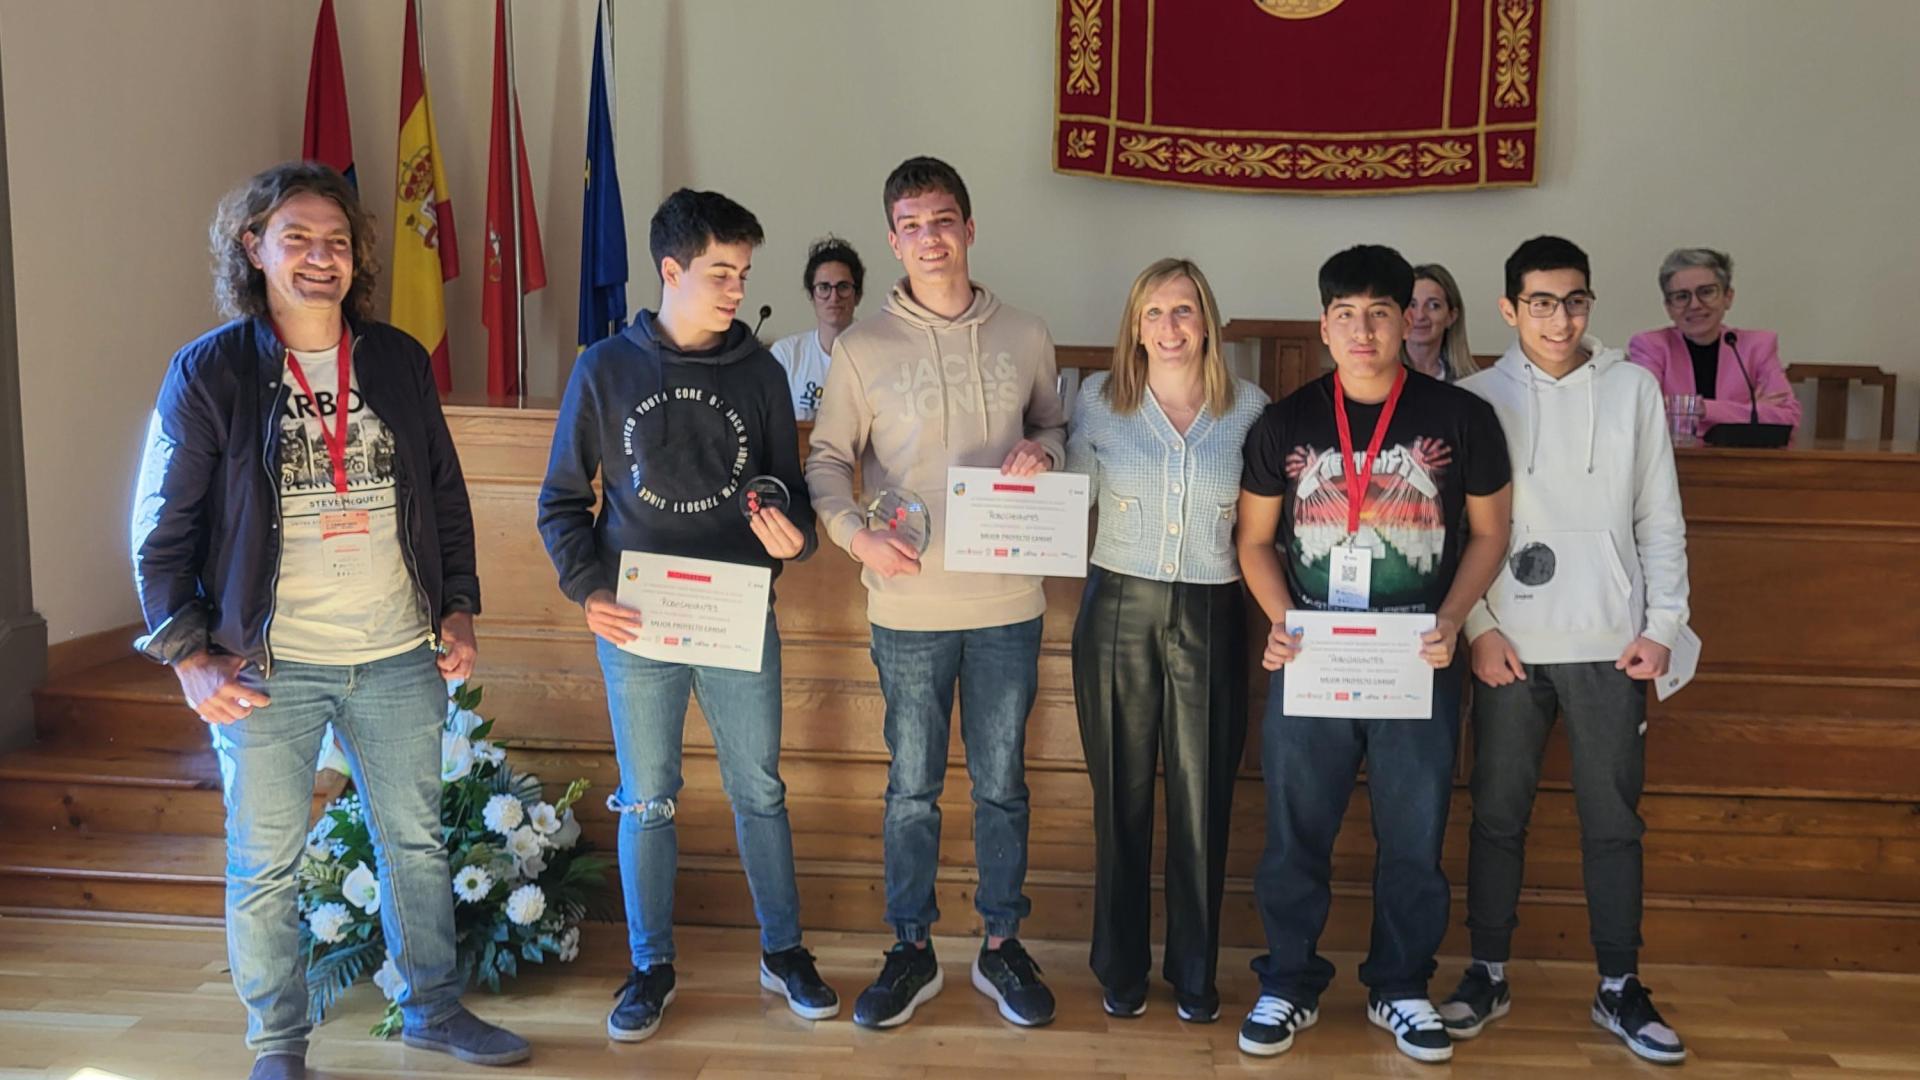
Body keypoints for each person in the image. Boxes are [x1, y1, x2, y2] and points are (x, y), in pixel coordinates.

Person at [130, 162, 528, 1080]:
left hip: (396, 652)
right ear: (253, 247)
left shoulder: (393, 360)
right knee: (265, 866)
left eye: (338, 242)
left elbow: (442, 494)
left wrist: (457, 606)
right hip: (266, 664)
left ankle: (432, 1008)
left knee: (418, 846)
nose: (320, 258)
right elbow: (160, 526)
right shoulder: (210, 371)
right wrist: (188, 653)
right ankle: (278, 1044)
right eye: (297, 239)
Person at [537, 189, 836, 1043]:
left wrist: (791, 540)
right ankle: (650, 965)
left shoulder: (763, 374)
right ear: (670, 271)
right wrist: (588, 591)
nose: (737, 288)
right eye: (720, 272)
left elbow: (791, 505)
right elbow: (561, 504)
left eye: (744, 272)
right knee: (647, 801)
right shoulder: (604, 370)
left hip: (741, 615)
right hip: (639, 620)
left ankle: (784, 953)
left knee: (760, 792)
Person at [805, 155, 1068, 1029]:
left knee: (1002, 783)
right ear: (893, 239)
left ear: (970, 227)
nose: (930, 237)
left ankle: (1000, 944)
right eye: (911, 224)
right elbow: (828, 463)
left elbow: (1053, 424)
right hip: (908, 608)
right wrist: (854, 536)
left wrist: (1047, 454)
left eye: (944, 219)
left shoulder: (1027, 333)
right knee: (911, 788)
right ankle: (911, 948)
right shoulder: (861, 348)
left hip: (1006, 604)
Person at [1235, 245, 1512, 1065]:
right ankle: (1289, 980)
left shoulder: (1462, 419)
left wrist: (1455, 617)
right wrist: (1281, 619)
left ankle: (1401, 987)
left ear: (1409, 318)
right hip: (1313, 655)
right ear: (1324, 325)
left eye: (1381, 313)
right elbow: (1253, 541)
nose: (1364, 329)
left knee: (1415, 835)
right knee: (1295, 832)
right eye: (1347, 314)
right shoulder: (1284, 422)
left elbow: (1491, 532)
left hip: (1417, 659)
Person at [1448, 236, 1692, 1066]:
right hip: (1510, 642)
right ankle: (1486, 969)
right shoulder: (1475, 398)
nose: (1561, 318)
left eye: (1575, 300)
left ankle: (1619, 984)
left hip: (1609, 644)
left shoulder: (1633, 390)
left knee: (1612, 823)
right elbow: (1459, 533)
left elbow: (1659, 517)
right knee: (1497, 814)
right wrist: (1478, 629)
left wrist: (1663, 627)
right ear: (1510, 308)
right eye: (1542, 302)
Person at [1066, 258, 1268, 1023]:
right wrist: (1033, 464)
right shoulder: (1099, 400)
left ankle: (1194, 973)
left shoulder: (1248, 408)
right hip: (1117, 610)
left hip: (1215, 612)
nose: (1170, 327)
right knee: (1120, 796)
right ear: (1135, 326)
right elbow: (1069, 491)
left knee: (1202, 799)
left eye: (1184, 311)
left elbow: (1265, 525)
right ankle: (1120, 967)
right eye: (1154, 313)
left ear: (1207, 320)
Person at [1627, 247, 1800, 436]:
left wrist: (1703, 409)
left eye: (1706, 292)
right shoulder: (1650, 346)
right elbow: (1643, 417)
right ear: (1668, 307)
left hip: (1743, 462)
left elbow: (1788, 418)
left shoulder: (1757, 346)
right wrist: (1747, 413)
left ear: (1728, 297)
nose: (1695, 305)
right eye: (1682, 296)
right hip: (1673, 461)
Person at [770, 236, 865, 420]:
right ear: (812, 296)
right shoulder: (786, 355)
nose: (834, 297)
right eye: (824, 288)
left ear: (858, 295)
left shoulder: (878, 355)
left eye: (843, 287)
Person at [1402, 263, 1479, 382]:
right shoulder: (1379, 378)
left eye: (1433, 305)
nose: (1420, 315)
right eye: (1412, 305)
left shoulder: (1472, 384)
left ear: (1451, 316)